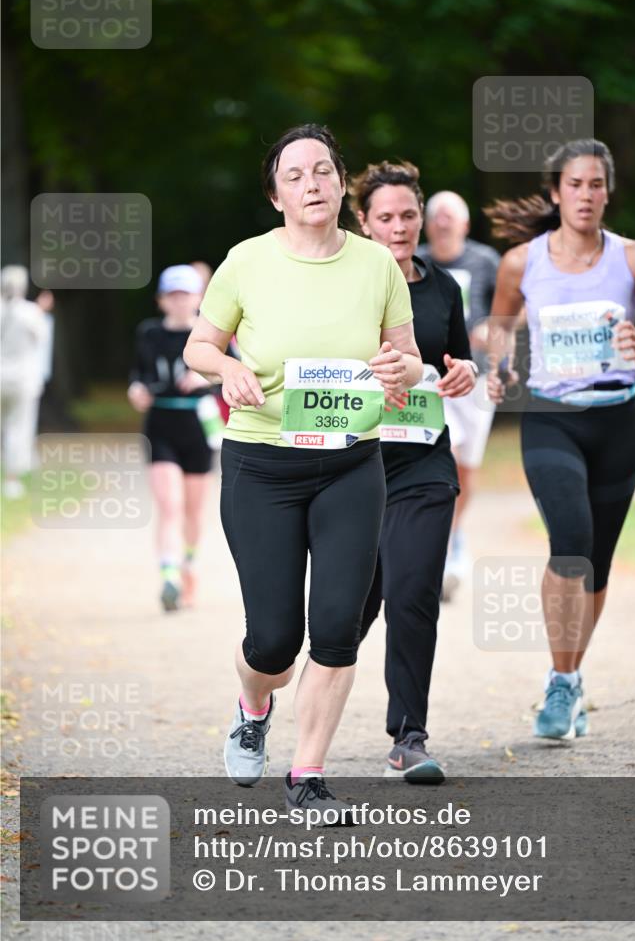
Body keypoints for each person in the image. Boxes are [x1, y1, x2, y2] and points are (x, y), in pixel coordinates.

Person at [183, 124, 421, 819]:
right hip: (261, 466)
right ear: (275, 194)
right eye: (295, 175)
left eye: (323, 171)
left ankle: (307, 778)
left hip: (350, 464)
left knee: (337, 628)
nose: (312, 184)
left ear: (340, 182)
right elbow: (201, 343)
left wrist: (399, 371)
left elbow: (406, 359)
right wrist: (227, 366)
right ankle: (253, 704)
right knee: (274, 640)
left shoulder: (375, 264)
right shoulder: (246, 262)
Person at [486, 138, 635, 741]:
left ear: (607, 191)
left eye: (596, 185)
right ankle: (560, 685)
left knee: (598, 563)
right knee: (572, 542)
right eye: (575, 185)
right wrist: (500, 367)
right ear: (556, 192)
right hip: (550, 418)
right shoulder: (521, 262)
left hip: (616, 423)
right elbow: (500, 328)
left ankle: (571, 674)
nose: (585, 195)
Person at [351, 161, 477, 782]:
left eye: (408, 216)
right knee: (343, 618)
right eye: (385, 218)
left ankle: (409, 735)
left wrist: (464, 374)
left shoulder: (443, 287)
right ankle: (264, 700)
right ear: (362, 223)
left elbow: (459, 362)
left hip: (424, 463)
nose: (399, 228)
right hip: (351, 467)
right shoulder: (340, 284)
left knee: (412, 593)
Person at [418, 192, 500, 599]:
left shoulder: (485, 261)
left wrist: (492, 337)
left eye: (451, 217)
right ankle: (440, 545)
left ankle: (454, 533)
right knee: (444, 455)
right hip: (431, 378)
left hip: (477, 379)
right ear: (428, 225)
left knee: (467, 467)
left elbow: (509, 315)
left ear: (465, 226)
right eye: (437, 217)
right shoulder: (414, 262)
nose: (444, 223)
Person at [128, 264, 217, 613]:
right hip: (160, 423)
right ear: (162, 300)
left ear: (199, 298)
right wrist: (136, 390)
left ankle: (189, 567)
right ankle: (168, 577)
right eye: (173, 295)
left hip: (198, 424)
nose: (180, 301)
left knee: (193, 510)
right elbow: (139, 374)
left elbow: (235, 374)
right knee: (169, 506)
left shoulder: (212, 337)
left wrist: (206, 378)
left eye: (187, 294)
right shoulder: (149, 333)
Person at [0, 265, 53, 499]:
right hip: (22, 379)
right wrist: (43, 310)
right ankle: (12, 479)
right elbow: (41, 339)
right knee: (19, 427)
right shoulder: (31, 312)